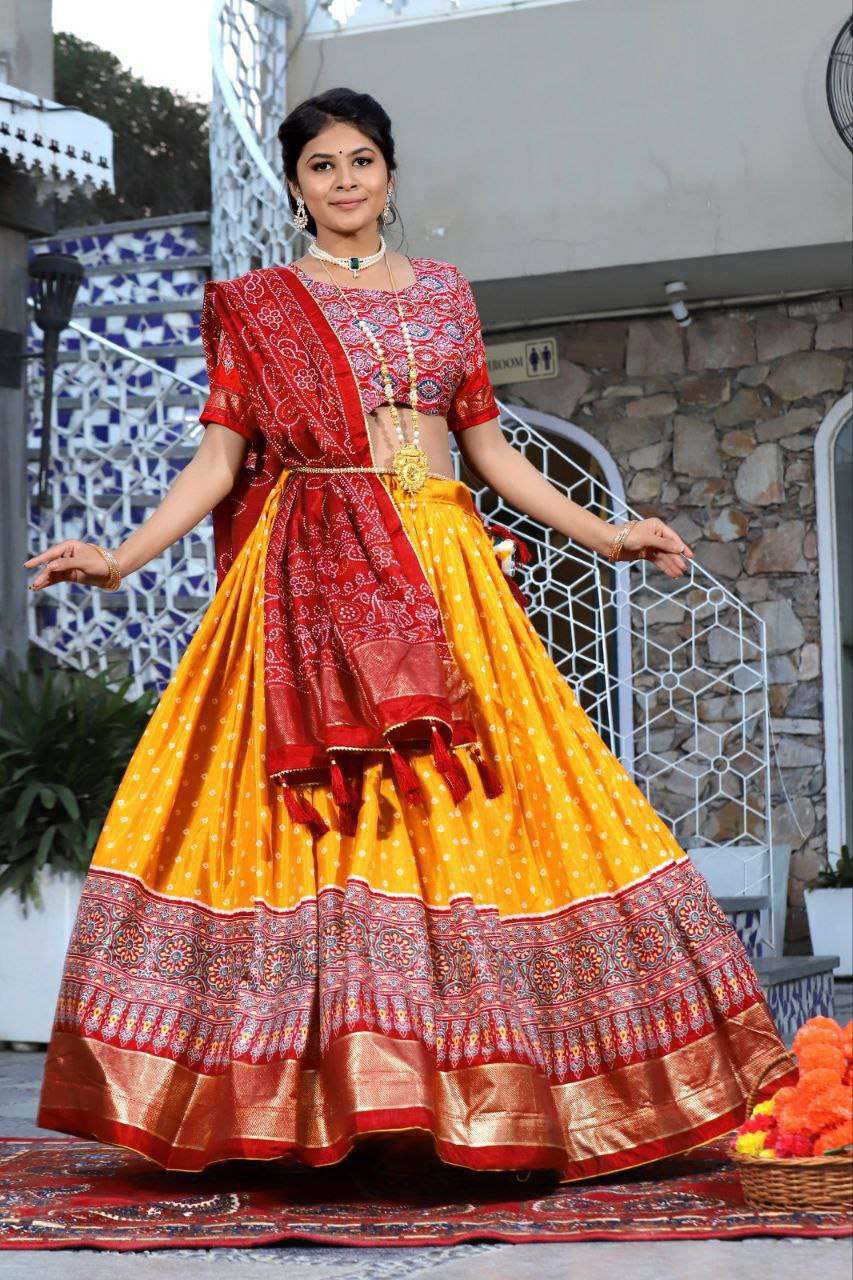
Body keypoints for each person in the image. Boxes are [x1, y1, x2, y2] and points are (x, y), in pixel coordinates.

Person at [29, 87, 795, 1181]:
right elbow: (218, 460)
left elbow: (490, 449)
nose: (343, 181)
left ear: (389, 173)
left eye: (360, 161)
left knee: (483, 811)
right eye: (322, 166)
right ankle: (330, 1098)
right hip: (309, 581)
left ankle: (490, 1092)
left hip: (443, 569)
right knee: (331, 824)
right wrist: (120, 557)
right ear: (296, 187)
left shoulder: (443, 294)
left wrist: (608, 532)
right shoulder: (258, 305)